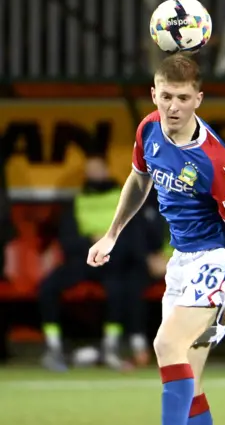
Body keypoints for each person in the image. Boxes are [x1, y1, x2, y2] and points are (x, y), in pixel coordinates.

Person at [86, 53, 225, 425]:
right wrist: (112, 235)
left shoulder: (216, 161)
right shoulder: (148, 129)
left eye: (181, 98)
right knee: (189, 386)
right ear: (153, 94)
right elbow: (139, 178)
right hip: (182, 259)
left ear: (198, 99)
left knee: (166, 344)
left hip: (217, 259)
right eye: (165, 96)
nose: (172, 106)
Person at [39, 154, 151, 371]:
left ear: (107, 171)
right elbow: (67, 238)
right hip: (83, 259)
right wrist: (90, 243)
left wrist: (108, 244)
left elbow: (134, 235)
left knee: (119, 288)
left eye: (97, 169)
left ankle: (111, 347)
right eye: (89, 171)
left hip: (114, 259)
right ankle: (53, 347)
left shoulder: (124, 196)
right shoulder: (78, 201)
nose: (94, 175)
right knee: (48, 287)